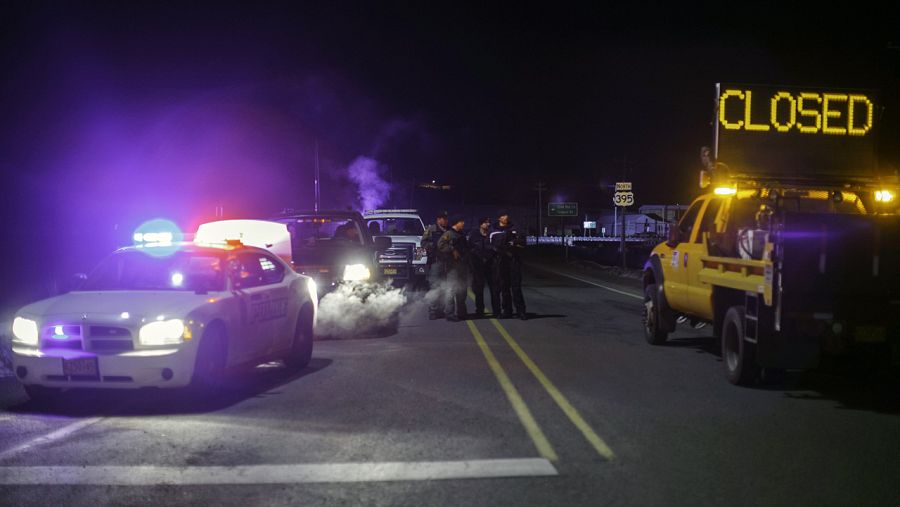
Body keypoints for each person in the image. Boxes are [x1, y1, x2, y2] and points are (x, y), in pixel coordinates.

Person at [490, 210, 527, 320]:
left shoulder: (514, 229)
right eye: (503, 215)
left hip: (514, 262)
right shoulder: (493, 231)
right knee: (504, 288)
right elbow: (489, 245)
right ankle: (507, 311)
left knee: (516, 288)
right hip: (501, 262)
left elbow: (523, 243)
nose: (506, 217)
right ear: (499, 218)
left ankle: (521, 311)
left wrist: (514, 243)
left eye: (506, 215)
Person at [437, 214, 469, 321]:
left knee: (462, 290)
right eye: (461, 222)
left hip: (462, 266)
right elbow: (440, 244)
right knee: (451, 290)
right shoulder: (449, 234)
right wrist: (452, 249)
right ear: (456, 223)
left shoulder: (461, 234)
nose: (463, 223)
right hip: (452, 267)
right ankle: (450, 314)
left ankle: (462, 313)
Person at [421, 210, 449, 319]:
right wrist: (434, 246)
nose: (446, 220)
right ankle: (433, 310)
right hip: (435, 261)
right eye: (443, 218)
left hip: (447, 262)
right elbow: (423, 243)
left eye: (446, 218)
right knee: (434, 286)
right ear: (438, 220)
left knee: (444, 286)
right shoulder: (431, 229)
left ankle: (441, 310)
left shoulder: (449, 230)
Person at [468, 216, 499, 317]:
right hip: (478, 266)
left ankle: (496, 311)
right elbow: (470, 249)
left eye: (489, 222)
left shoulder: (492, 234)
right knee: (479, 289)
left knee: (494, 289)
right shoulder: (474, 235)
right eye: (486, 222)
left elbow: (496, 248)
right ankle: (480, 310)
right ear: (481, 224)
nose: (488, 224)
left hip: (491, 265)